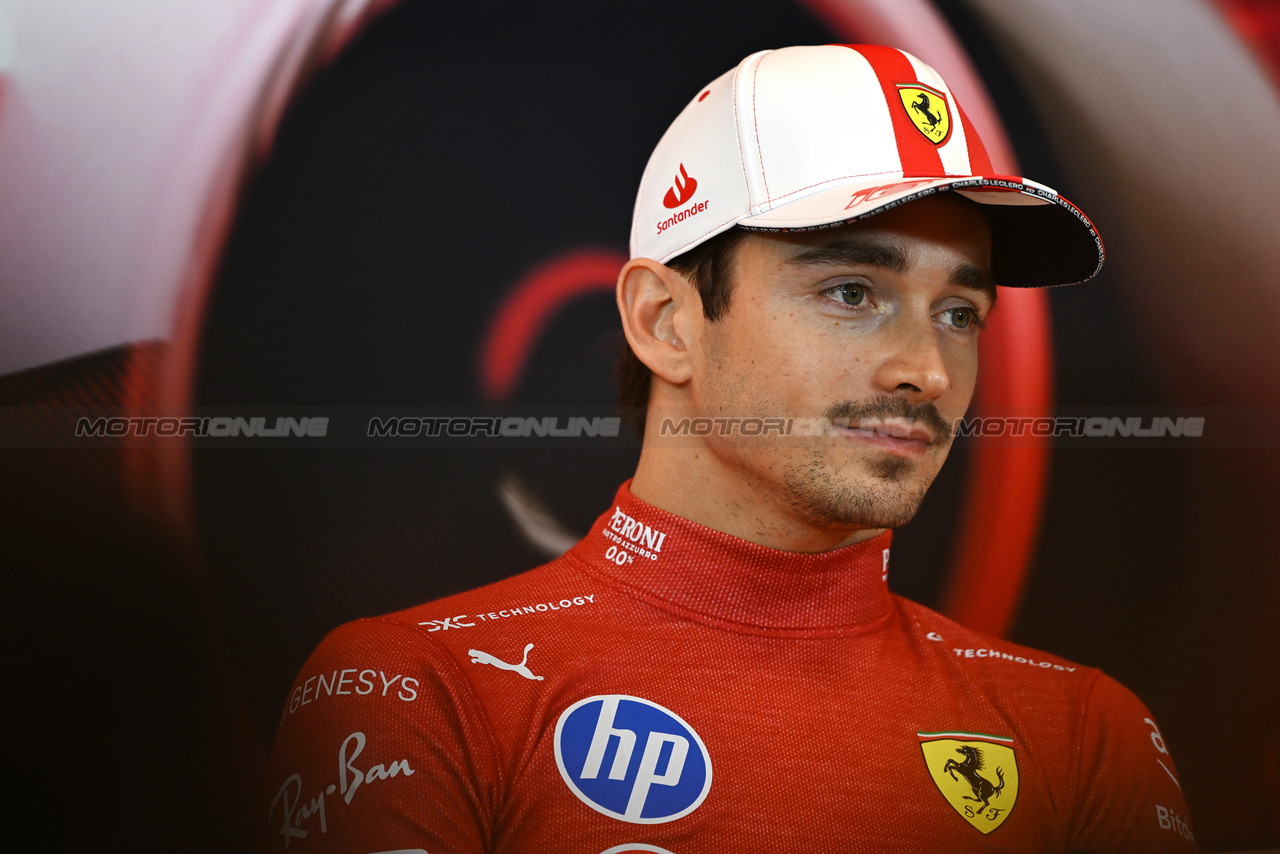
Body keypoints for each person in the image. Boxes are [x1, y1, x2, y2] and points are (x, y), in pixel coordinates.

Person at [263, 45, 1196, 852]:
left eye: (960, 313)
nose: (929, 372)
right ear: (665, 322)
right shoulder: (416, 693)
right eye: (850, 292)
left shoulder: (1083, 730)